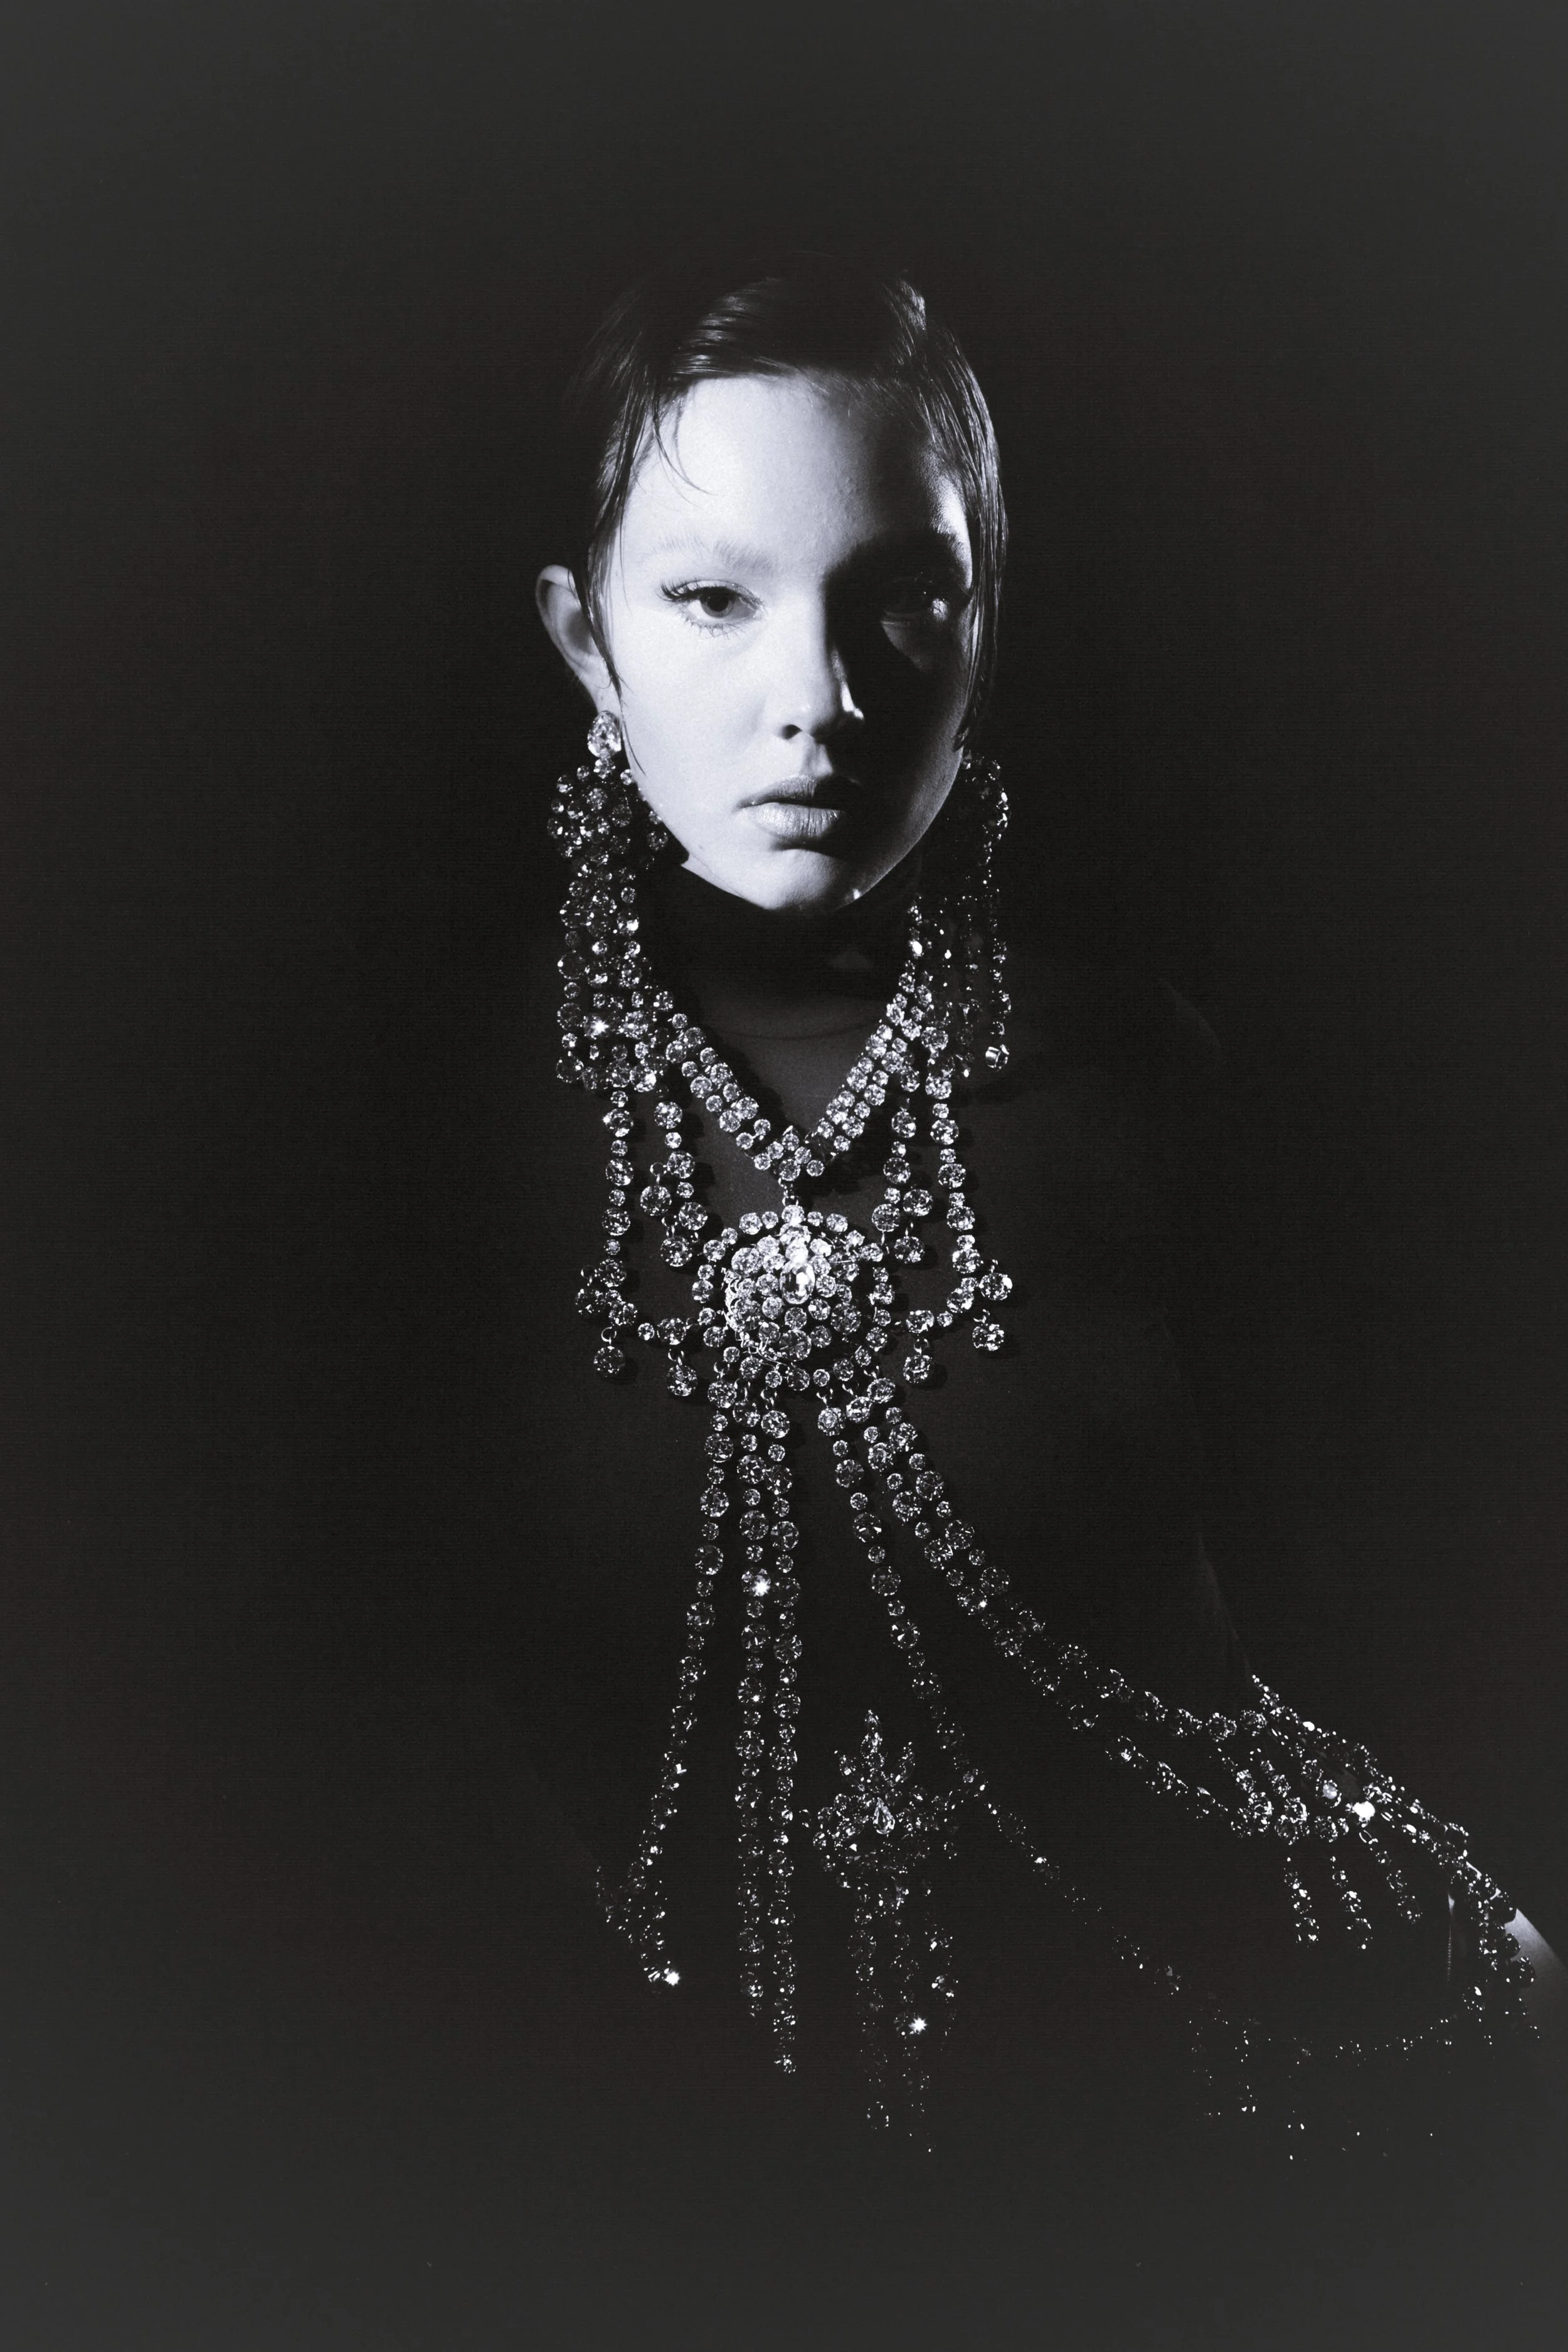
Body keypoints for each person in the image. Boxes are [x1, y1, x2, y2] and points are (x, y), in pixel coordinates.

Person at [516, 248, 1563, 2168]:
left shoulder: (1152, 1074)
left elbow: (1387, 1595)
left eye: (893, 599)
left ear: (978, 622)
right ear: (585, 643)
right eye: (710, 598)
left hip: (1180, 2120)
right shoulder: (396, 1136)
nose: (816, 702)